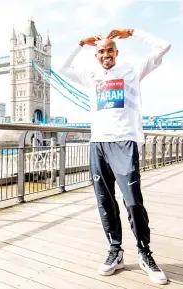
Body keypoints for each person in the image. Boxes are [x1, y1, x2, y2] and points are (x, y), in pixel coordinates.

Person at [60, 29, 171, 285]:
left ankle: (144, 252)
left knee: (133, 202)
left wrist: (133, 33)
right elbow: (64, 67)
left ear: (116, 52)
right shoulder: (91, 76)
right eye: (101, 51)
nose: (106, 54)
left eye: (110, 50)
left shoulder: (132, 70)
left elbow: (164, 45)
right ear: (96, 55)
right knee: (105, 201)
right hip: (98, 143)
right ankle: (116, 250)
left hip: (124, 142)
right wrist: (79, 43)